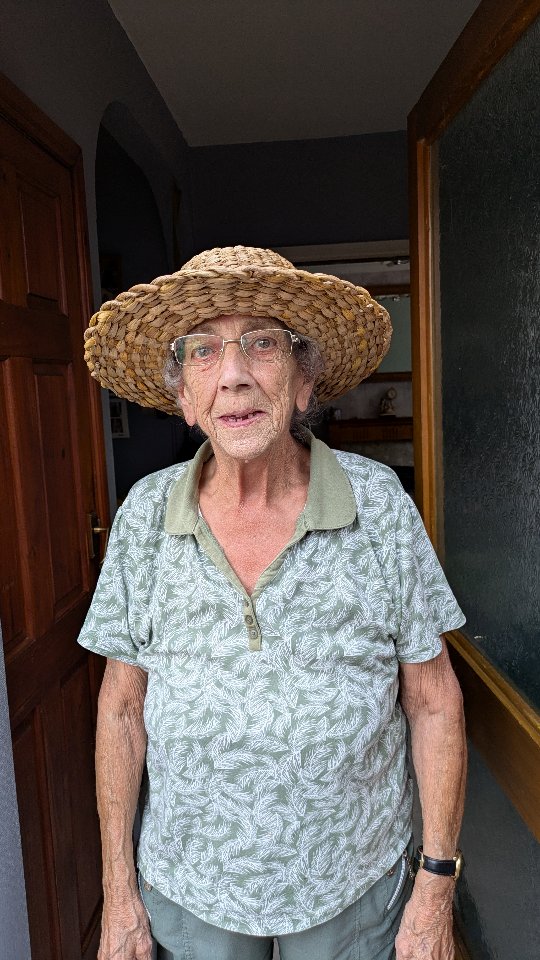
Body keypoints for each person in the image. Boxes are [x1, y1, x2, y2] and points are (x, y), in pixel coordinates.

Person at [79, 245, 466, 960]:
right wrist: (120, 890)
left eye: (262, 341)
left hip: (352, 881)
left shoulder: (377, 505)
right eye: (203, 351)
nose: (233, 375)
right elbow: (121, 708)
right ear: (186, 400)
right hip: (192, 890)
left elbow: (435, 700)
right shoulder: (143, 516)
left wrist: (435, 889)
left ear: (303, 380)